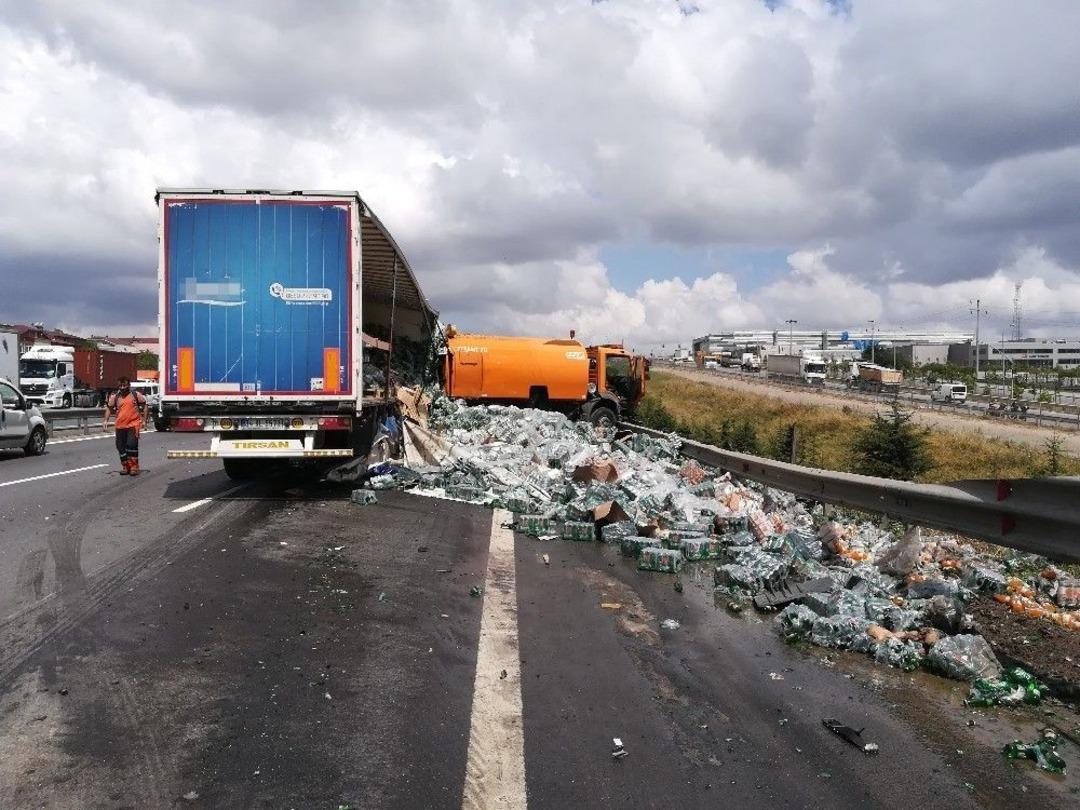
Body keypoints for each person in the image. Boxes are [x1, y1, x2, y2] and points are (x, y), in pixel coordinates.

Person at [103, 376, 148, 475]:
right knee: (120, 447)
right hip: (120, 426)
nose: (122, 387)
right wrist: (105, 421)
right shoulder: (115, 396)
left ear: (129, 385)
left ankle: (134, 467)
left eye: (124, 385)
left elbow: (145, 405)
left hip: (133, 425)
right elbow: (109, 408)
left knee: (131, 445)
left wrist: (144, 420)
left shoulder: (135, 395)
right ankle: (125, 466)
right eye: (120, 385)